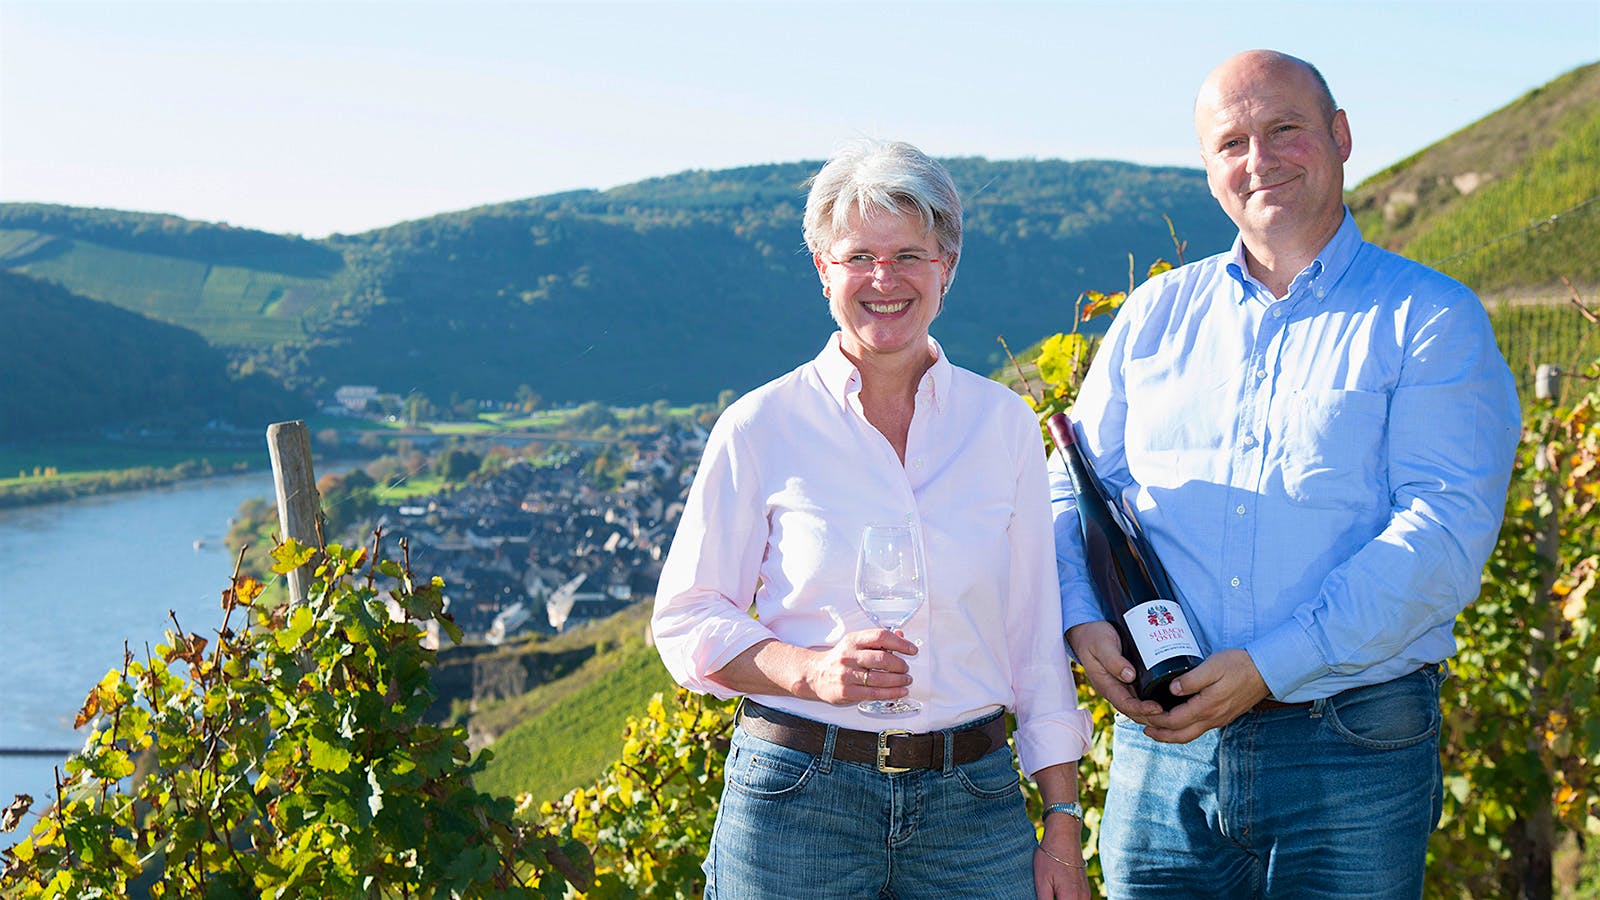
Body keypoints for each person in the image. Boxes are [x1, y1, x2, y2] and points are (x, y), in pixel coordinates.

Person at [1050, 50, 1520, 898]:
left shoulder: (1429, 318)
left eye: (1284, 130)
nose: (1258, 159)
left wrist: (1271, 663)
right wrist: (1083, 623)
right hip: (1164, 756)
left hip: (1351, 743)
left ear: (1339, 137)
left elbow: (1442, 532)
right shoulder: (1157, 315)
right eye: (1232, 141)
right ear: (1209, 169)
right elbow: (1070, 485)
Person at [654, 139, 1095, 899]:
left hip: (975, 809)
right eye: (859, 255)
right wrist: (811, 672)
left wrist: (1060, 820)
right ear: (824, 270)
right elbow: (687, 618)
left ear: (946, 267)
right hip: (798, 802)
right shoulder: (760, 425)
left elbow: (1034, 642)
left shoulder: (1005, 427)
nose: (883, 280)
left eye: (910, 256)